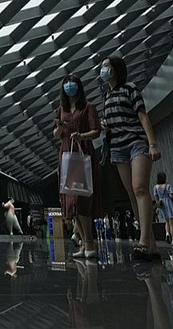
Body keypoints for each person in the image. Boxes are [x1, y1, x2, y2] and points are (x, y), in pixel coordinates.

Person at [99, 56, 160, 261]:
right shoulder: (106, 97)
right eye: (102, 66)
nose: (103, 69)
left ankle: (143, 242)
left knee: (140, 188)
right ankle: (151, 245)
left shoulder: (130, 89)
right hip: (118, 147)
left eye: (107, 66)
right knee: (132, 194)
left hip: (136, 142)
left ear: (116, 69)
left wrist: (152, 144)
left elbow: (143, 115)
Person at [53, 73, 101, 259]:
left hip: (81, 155)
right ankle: (84, 242)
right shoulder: (61, 109)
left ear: (79, 86)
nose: (70, 86)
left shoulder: (88, 107)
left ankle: (89, 242)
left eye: (73, 83)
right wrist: (59, 129)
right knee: (71, 202)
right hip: (65, 156)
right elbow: (56, 134)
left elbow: (96, 131)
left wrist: (82, 136)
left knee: (80, 199)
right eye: (66, 83)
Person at [153, 171, 173, 245]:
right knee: (172, 223)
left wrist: (158, 205)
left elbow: (156, 197)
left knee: (166, 222)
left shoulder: (155, 187)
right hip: (168, 203)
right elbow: (171, 195)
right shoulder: (168, 186)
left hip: (161, 205)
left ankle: (167, 233)